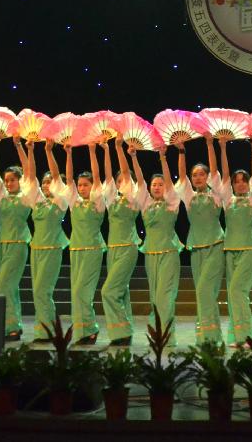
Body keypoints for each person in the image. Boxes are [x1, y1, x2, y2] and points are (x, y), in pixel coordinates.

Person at [176, 135, 225, 344]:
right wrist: (181, 151)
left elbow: (215, 170)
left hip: (215, 245)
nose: (197, 178)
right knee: (203, 293)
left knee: (205, 289)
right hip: (196, 247)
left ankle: (210, 336)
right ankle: (208, 336)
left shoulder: (216, 195)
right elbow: (181, 175)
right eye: (194, 175)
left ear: (207, 177)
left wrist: (210, 145)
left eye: (201, 174)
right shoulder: (189, 197)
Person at [134, 141, 182, 345]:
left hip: (169, 253)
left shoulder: (172, 203)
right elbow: (139, 180)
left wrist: (163, 157)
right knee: (155, 297)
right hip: (150, 254)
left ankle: (167, 336)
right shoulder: (145, 204)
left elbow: (169, 183)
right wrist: (133, 156)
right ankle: (158, 335)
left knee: (164, 296)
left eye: (160, 184)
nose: (157, 187)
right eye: (154, 184)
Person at [0, 137, 36, 341]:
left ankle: (9, 326)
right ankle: (13, 326)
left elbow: (29, 172)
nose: (8, 183)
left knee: (3, 287)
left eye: (12, 180)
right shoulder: (3, 197)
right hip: (2, 245)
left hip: (18, 245)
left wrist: (19, 146)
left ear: (19, 180)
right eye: (6, 180)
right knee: (11, 287)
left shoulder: (26, 196)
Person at [220, 135, 252, 346]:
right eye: (236, 181)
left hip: (249, 248)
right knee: (233, 293)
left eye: (243, 180)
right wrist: (222, 147)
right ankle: (237, 336)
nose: (240, 184)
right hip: (230, 248)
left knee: (238, 290)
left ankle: (247, 336)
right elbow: (224, 173)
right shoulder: (228, 200)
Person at [27, 140, 71, 342]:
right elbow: (30, 175)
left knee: (42, 291)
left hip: (52, 248)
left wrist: (48, 151)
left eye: (49, 182)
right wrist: (29, 150)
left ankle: (48, 331)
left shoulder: (61, 201)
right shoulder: (37, 201)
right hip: (36, 249)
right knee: (37, 292)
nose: (46, 185)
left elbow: (56, 176)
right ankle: (46, 330)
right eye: (44, 182)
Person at [65, 140, 108, 345]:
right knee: (76, 293)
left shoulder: (98, 202)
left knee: (82, 291)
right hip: (76, 249)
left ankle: (90, 328)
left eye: (85, 185)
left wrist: (92, 151)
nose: (81, 188)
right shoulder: (74, 202)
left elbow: (98, 177)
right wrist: (69, 153)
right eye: (80, 185)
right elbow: (68, 180)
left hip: (93, 249)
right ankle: (82, 331)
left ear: (92, 187)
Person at [101, 136, 141, 347]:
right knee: (121, 292)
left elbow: (125, 173)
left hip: (128, 247)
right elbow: (108, 174)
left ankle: (121, 333)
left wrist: (118, 148)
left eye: (124, 181)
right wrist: (106, 150)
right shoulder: (111, 199)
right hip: (112, 249)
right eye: (118, 182)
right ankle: (125, 331)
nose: (120, 183)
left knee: (108, 291)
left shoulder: (134, 198)